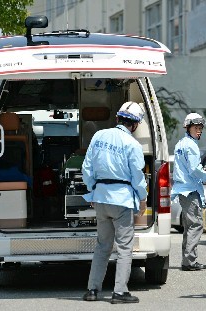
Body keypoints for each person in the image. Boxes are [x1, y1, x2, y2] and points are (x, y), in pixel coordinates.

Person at [81, 101, 148, 304]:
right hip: (122, 200)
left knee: (102, 245)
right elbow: (137, 176)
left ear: (118, 118)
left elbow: (87, 168)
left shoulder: (98, 136)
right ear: (135, 125)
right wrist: (143, 199)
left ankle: (92, 290)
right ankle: (119, 292)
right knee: (125, 247)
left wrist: (93, 190)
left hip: (100, 197)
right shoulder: (133, 145)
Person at [171, 112, 206, 271]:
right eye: (196, 127)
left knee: (189, 226)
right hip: (190, 190)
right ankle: (189, 261)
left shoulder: (180, 143)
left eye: (200, 128)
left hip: (183, 190)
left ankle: (188, 260)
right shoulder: (191, 145)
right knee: (195, 225)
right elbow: (195, 169)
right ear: (188, 127)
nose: (199, 130)